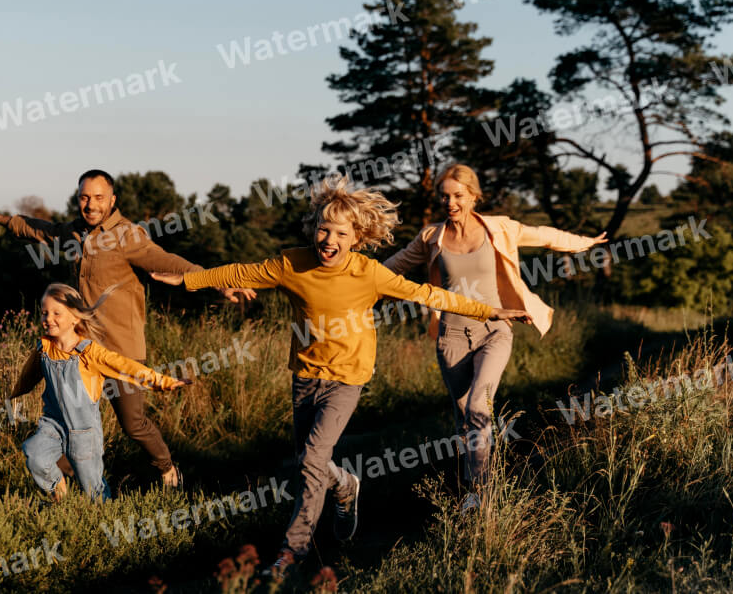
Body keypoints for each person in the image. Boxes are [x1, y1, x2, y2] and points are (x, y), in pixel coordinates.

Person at [150, 176, 530, 575]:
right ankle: (346, 486)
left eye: (340, 233)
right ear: (314, 228)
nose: (329, 239)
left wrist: (490, 311)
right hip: (305, 375)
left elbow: (428, 295)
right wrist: (188, 280)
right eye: (323, 229)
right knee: (307, 461)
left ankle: (291, 552)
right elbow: (240, 272)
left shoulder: (369, 273)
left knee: (313, 458)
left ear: (356, 238)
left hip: (349, 378)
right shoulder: (291, 264)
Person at [0, 169, 254, 488]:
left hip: (121, 347)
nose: (90, 204)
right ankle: (67, 480)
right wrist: (2, 220)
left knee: (133, 423)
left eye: (98, 198)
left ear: (113, 200)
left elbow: (169, 261)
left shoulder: (127, 236)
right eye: (84, 197)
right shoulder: (73, 232)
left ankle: (166, 468)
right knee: (72, 420)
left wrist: (217, 282)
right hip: (82, 350)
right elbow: (43, 231)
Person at [383, 164, 606, 513]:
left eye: (458, 195)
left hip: (495, 330)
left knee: (477, 406)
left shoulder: (498, 227)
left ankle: (479, 493)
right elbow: (390, 267)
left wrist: (584, 243)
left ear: (474, 196)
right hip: (451, 336)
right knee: (464, 420)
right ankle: (480, 463)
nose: (451, 202)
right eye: (445, 196)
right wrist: (351, 284)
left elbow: (542, 235)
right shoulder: (431, 238)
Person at [10, 283, 189, 501]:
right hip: (53, 425)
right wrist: (15, 393)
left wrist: (162, 381)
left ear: (75, 318)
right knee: (34, 452)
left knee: (92, 488)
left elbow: (126, 367)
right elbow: (29, 373)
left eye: (57, 313)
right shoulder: (44, 348)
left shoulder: (90, 353)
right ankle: (59, 492)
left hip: (83, 433)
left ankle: (103, 517)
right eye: (45, 312)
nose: (48, 318)